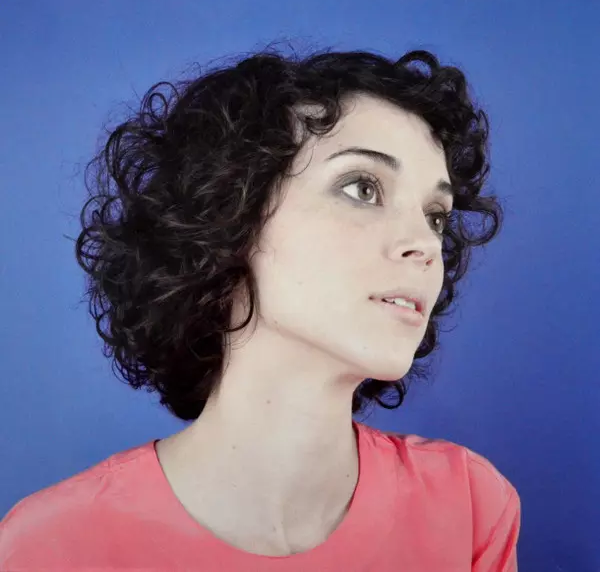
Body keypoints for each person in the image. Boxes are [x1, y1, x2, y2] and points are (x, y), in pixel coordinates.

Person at [0, 45, 520, 570]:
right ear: (230, 216)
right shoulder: (50, 549)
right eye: (363, 188)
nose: (426, 245)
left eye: (436, 216)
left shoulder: (470, 507)